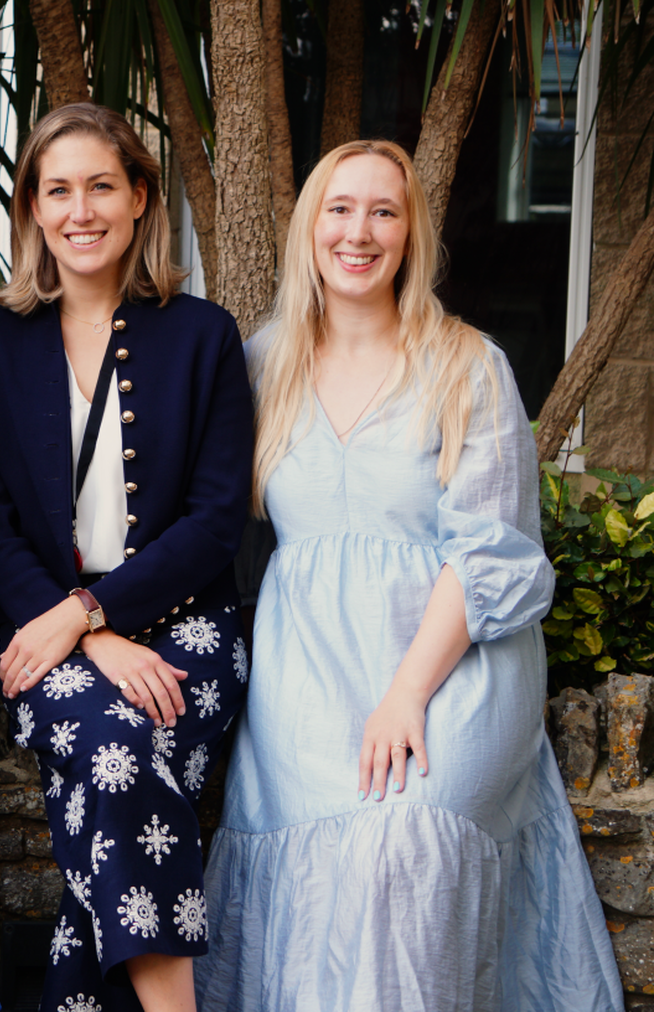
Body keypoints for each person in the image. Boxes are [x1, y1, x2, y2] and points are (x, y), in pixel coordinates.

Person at [195, 140, 624, 1011]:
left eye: (384, 212)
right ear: (309, 227)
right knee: (327, 830)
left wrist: (405, 696)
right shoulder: (257, 364)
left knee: (404, 835)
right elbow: (196, 509)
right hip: (310, 659)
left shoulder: (469, 365)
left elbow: (491, 555)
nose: (360, 231)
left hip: (452, 657)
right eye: (340, 209)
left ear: (412, 234)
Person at [0, 103, 253, 1012]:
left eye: (102, 187)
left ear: (140, 198)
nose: (81, 211)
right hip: (48, 632)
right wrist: (85, 633)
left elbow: (215, 521)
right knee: (119, 751)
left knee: (109, 787)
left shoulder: (203, 336)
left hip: (190, 625)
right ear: (34, 210)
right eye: (59, 190)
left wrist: (94, 613)